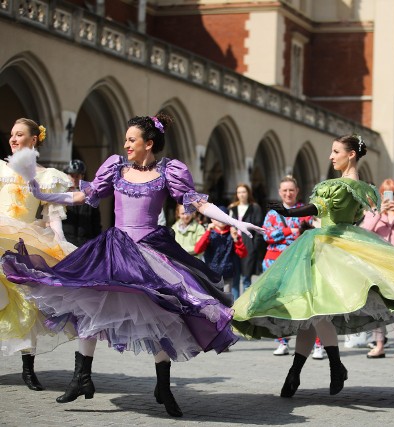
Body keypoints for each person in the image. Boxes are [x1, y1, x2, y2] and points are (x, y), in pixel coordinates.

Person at [1, 114, 264, 417]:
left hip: (151, 251)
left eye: (131, 140)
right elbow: (83, 194)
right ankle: (82, 377)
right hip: (114, 249)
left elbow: (198, 203)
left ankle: (163, 386)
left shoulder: (169, 171)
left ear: (148, 143)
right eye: (125, 139)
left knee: (164, 314)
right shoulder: (115, 168)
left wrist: (235, 221)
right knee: (90, 303)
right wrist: (43, 194)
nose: (125, 144)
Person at [232, 134, 394, 398]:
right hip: (333, 246)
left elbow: (318, 208)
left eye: (335, 151)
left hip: (330, 249)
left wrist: (289, 212)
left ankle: (333, 365)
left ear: (351, 154)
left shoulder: (341, 186)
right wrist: (291, 212)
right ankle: (298, 373)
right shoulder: (362, 188)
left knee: (315, 312)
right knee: (308, 316)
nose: (331, 156)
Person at [0, 118, 75, 391]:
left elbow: (53, 216)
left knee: (27, 304)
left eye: (19, 134)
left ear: (33, 140)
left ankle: (27, 369)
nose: (13, 139)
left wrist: (60, 241)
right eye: (11, 134)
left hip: (24, 244)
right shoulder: (1, 170)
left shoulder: (46, 176)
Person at [360, 178, 394, 362]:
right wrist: (378, 213)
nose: (389, 197)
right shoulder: (373, 213)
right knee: (377, 306)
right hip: (378, 265)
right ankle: (379, 345)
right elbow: (365, 232)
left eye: (393, 193)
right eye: (385, 194)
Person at [262, 175, 315, 357]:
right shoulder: (272, 213)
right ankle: (282, 341)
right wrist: (289, 231)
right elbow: (266, 235)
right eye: (284, 190)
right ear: (279, 192)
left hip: (298, 261)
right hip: (274, 262)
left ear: (297, 191)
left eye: (291, 190)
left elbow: (310, 233)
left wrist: (285, 235)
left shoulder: (305, 211)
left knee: (305, 301)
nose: (288, 193)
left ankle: (316, 343)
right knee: (278, 304)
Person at [194, 205, 248, 299]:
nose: (220, 220)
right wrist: (207, 232)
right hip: (211, 274)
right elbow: (198, 249)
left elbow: (243, 254)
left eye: (223, 217)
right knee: (213, 299)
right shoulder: (210, 233)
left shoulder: (232, 233)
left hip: (227, 274)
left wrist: (236, 239)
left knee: (226, 300)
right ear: (212, 220)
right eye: (217, 217)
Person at [229, 184, 264, 294]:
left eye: (244, 192)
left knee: (246, 277)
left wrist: (254, 245)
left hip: (248, 244)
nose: (241, 195)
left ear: (248, 193)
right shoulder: (233, 208)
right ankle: (234, 305)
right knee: (235, 278)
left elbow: (259, 227)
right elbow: (229, 224)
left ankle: (245, 305)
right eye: (239, 192)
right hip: (234, 243)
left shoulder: (255, 208)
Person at [61, 159, 102, 246]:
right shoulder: (60, 195)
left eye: (77, 176)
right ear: (66, 176)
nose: (74, 179)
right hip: (65, 243)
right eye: (72, 176)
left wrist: (97, 244)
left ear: (82, 177)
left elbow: (96, 224)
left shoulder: (90, 196)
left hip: (85, 245)